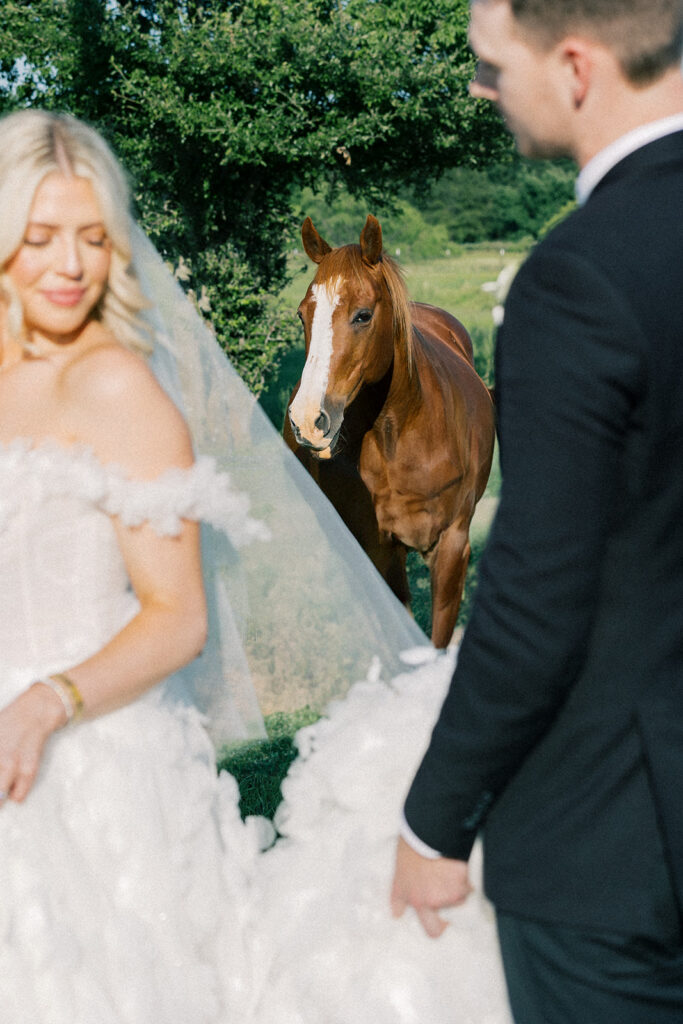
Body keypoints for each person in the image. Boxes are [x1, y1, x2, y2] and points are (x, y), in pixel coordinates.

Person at [0, 108, 513, 1023]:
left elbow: (177, 614)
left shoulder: (119, 392)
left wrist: (51, 699)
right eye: (40, 237)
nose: (70, 264)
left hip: (73, 746)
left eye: (91, 236)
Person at [391, 1, 683, 1021]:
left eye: (487, 65)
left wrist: (433, 822)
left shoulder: (580, 275)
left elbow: (534, 594)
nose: (480, 90)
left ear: (572, 66)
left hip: (618, 841)